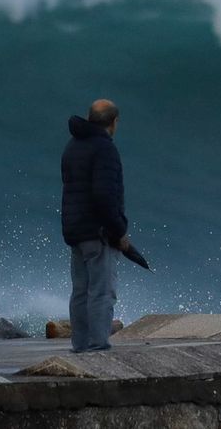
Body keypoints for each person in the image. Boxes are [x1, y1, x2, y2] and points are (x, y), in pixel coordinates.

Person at [60, 99, 131, 352]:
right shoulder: (104, 149)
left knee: (80, 292)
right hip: (98, 233)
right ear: (114, 122)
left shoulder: (72, 146)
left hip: (76, 230)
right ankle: (98, 346)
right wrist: (119, 231)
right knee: (102, 292)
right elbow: (104, 196)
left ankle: (80, 346)